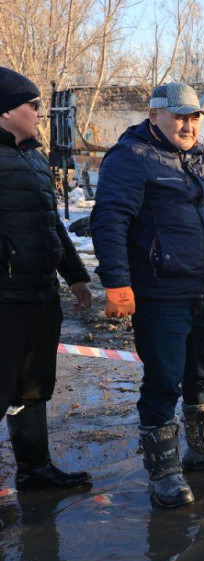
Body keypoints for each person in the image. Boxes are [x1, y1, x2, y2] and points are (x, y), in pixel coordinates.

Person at [91, 82, 204, 508]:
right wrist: (117, 282)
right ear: (154, 116)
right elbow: (109, 222)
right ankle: (163, 474)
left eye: (194, 116)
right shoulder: (131, 159)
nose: (188, 124)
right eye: (179, 116)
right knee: (164, 379)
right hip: (161, 292)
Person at [0, 67, 92, 491]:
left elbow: (51, 225)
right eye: (31, 105)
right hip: (4, 300)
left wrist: (74, 276)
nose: (40, 112)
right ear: (4, 112)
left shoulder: (35, 160)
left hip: (39, 296)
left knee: (33, 389)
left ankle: (34, 471)